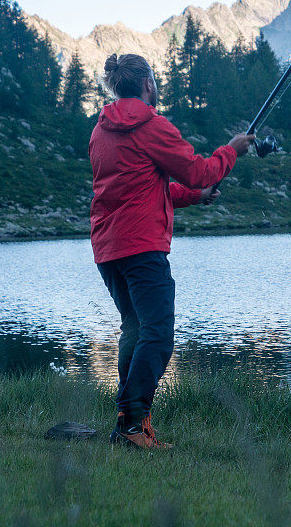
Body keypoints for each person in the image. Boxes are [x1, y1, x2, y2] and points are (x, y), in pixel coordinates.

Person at [90, 53, 254, 449]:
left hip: (108, 249)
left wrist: (194, 198)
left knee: (136, 329)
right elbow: (201, 170)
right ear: (147, 83)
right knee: (158, 335)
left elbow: (142, 189)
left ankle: (127, 425)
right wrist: (231, 150)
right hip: (142, 248)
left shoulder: (101, 130)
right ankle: (132, 426)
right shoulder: (151, 126)